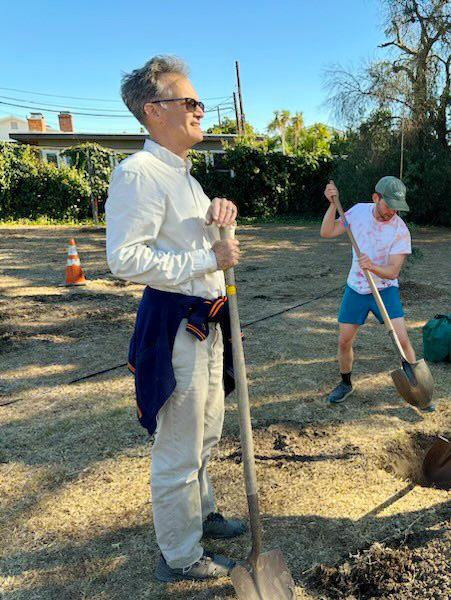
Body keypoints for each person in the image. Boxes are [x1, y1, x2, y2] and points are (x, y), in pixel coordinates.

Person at [106, 55, 246, 582]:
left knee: (206, 431)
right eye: (188, 102)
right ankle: (180, 556)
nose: (199, 110)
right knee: (178, 445)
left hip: (207, 320)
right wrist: (207, 258)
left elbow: (204, 241)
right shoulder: (138, 173)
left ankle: (202, 512)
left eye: (198, 102)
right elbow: (125, 258)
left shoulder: (185, 178)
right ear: (153, 111)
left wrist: (220, 214)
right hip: (174, 324)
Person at [320, 177, 428, 408]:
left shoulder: (400, 231)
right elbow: (327, 232)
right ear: (375, 198)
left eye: (397, 207)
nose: (392, 212)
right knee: (344, 341)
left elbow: (392, 272)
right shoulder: (358, 213)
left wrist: (372, 266)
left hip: (385, 291)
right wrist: (331, 205)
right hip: (356, 289)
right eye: (388, 205)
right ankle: (346, 383)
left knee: (402, 340)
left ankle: (417, 388)